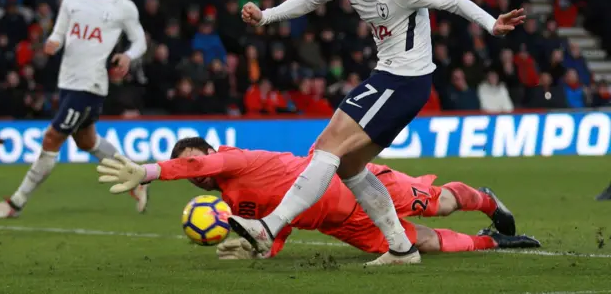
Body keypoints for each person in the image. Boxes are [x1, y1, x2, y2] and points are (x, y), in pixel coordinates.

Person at [234, 0, 526, 265]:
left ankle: (268, 226)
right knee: (348, 167)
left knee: (328, 146)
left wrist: (492, 24)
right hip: (391, 79)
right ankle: (401, 248)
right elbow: (310, 0)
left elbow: (452, 0)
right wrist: (265, 17)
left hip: (403, 81)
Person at [96, 137, 540, 260]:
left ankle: (483, 200)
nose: (196, 176)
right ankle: (491, 242)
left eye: (195, 165)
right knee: (418, 243)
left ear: (212, 154)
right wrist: (264, 250)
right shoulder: (230, 206)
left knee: (438, 202)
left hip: (352, 183)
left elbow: (201, 166)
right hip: (340, 224)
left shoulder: (232, 159)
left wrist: (153, 170)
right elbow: (280, 221)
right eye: (189, 174)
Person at [0, 0, 149, 219]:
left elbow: (140, 40)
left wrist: (128, 56)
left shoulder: (124, 7)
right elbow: (59, 32)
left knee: (52, 137)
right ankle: (138, 176)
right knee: (87, 141)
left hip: (91, 83)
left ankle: (16, 202)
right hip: (68, 81)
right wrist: (53, 42)